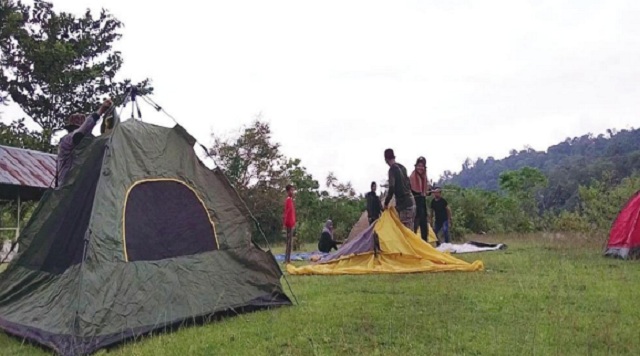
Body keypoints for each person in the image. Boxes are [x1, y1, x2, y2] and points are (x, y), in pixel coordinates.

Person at [56, 98, 113, 187]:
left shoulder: (86, 145)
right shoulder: (67, 140)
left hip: (80, 186)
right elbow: (80, 133)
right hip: (66, 186)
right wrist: (101, 110)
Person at [383, 148, 415, 230]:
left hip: (403, 205)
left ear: (386, 159)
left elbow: (391, 188)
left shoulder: (392, 170)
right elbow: (409, 185)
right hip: (411, 202)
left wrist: (386, 203)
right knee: (410, 232)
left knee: (405, 233)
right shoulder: (403, 168)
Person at [410, 156, 430, 242]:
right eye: (418, 165)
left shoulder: (425, 177)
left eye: (422, 166)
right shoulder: (412, 177)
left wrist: (428, 192)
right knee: (414, 225)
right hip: (414, 204)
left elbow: (426, 190)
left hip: (422, 203)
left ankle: (424, 242)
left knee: (424, 224)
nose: (420, 168)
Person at [283, 184, 297, 264]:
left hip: (291, 223)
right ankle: (287, 259)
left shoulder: (291, 200)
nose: (293, 192)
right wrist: (286, 223)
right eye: (291, 190)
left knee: (290, 242)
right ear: (288, 191)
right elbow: (287, 212)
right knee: (289, 242)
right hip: (289, 223)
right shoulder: (288, 200)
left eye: (293, 190)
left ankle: (288, 258)